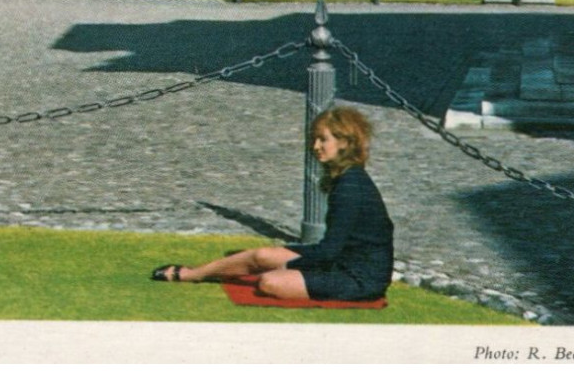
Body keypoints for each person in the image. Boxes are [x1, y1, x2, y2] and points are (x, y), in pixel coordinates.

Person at [149, 106, 394, 301]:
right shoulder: (347, 178)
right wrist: (283, 256)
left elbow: (329, 250)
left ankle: (199, 275)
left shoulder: (350, 187)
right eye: (314, 139)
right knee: (263, 255)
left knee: (269, 282)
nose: (315, 146)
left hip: (360, 278)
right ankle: (193, 274)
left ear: (344, 142)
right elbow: (330, 248)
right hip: (343, 261)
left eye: (323, 140)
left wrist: (289, 263)